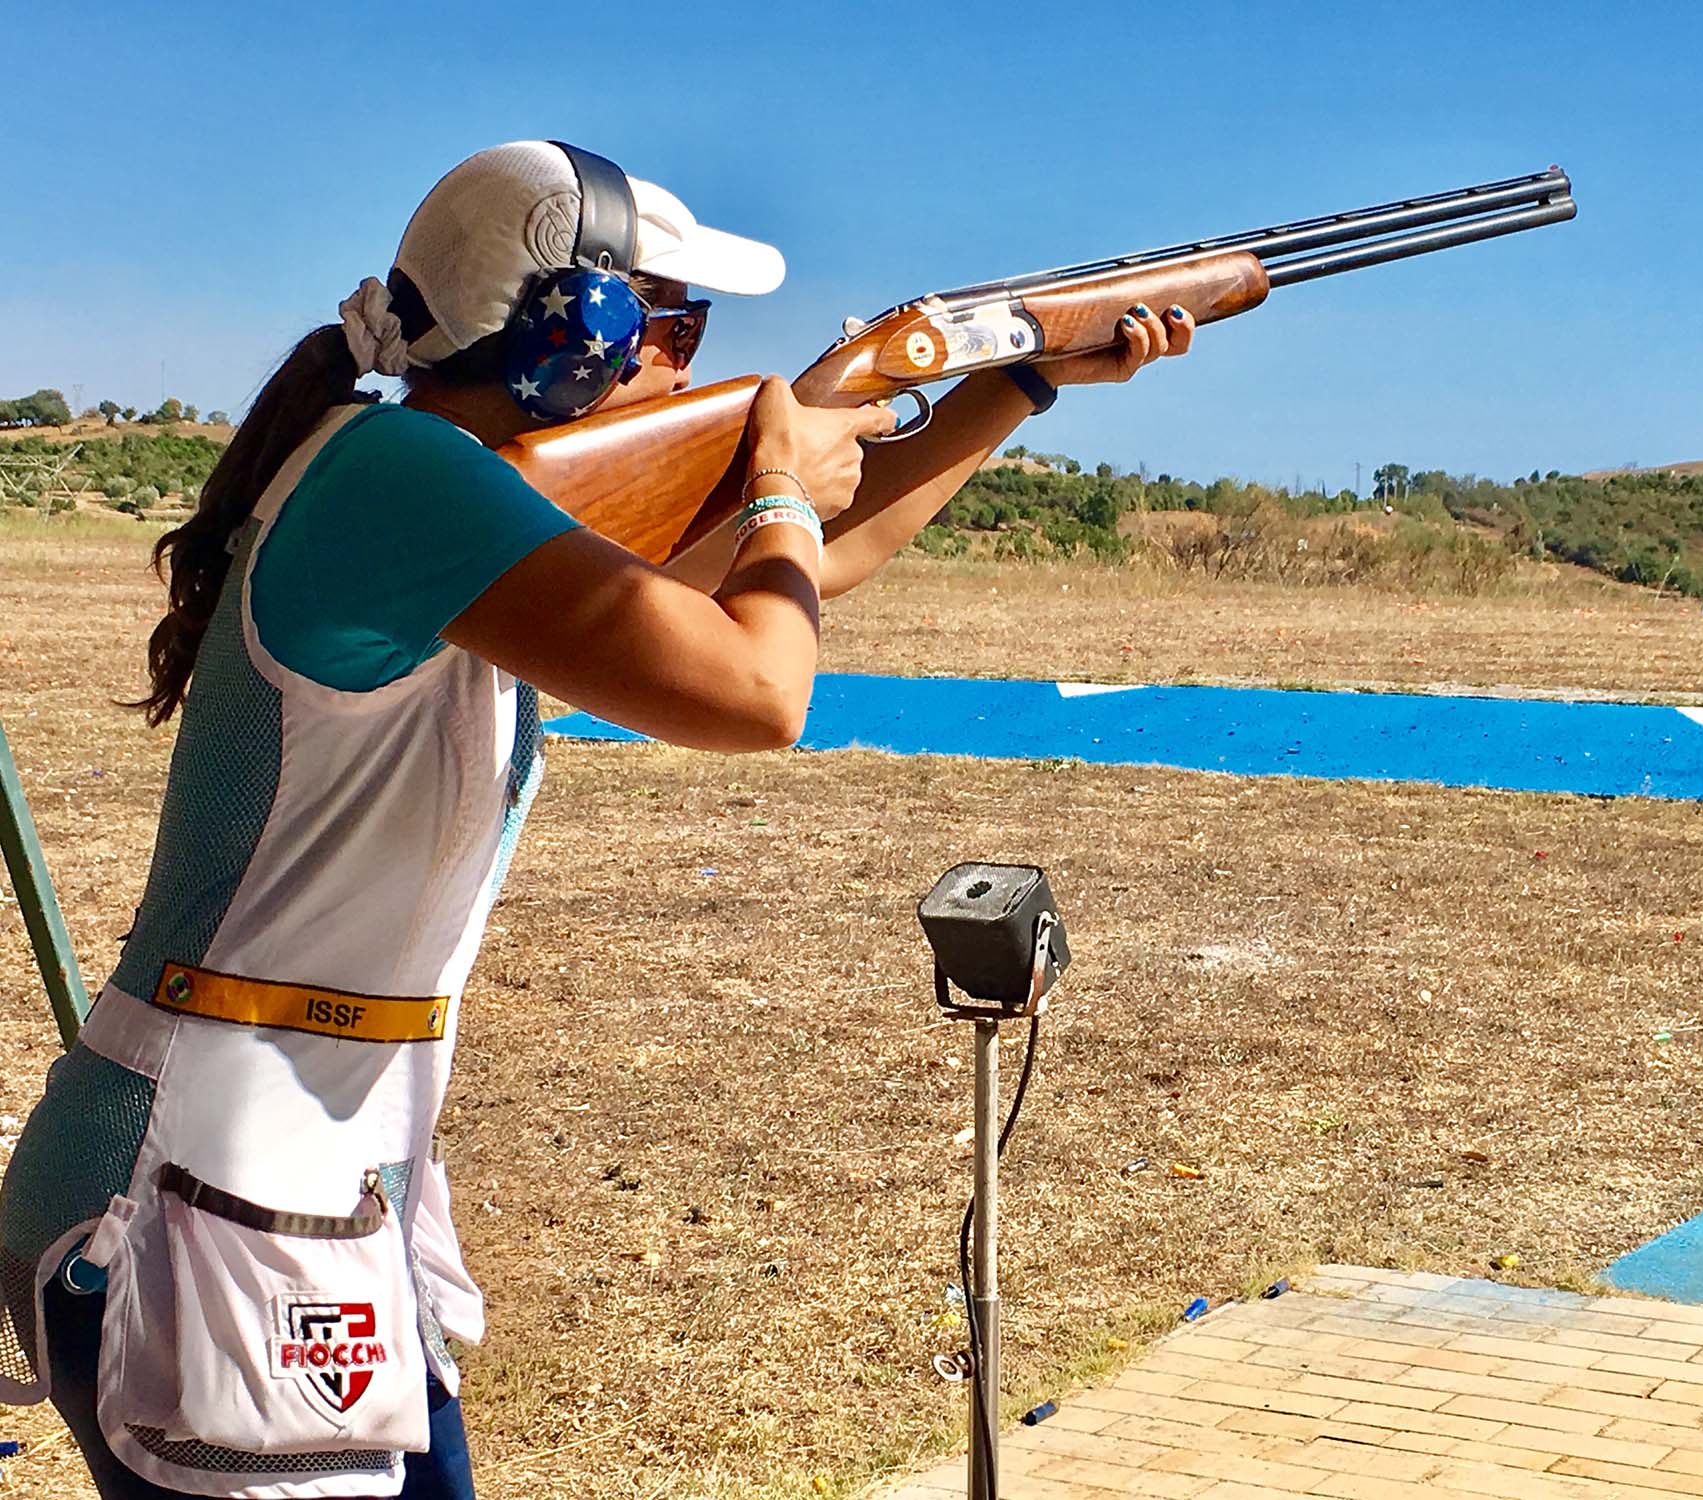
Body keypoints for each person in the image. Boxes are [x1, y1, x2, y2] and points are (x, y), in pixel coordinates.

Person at [0, 140, 1192, 1499]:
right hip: (197, 1183)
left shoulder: (430, 483)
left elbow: (788, 584)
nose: (695, 367)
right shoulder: (405, 478)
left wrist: (1012, 386)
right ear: (582, 337)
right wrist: (787, 483)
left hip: (293, 1176)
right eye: (676, 328)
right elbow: (758, 685)